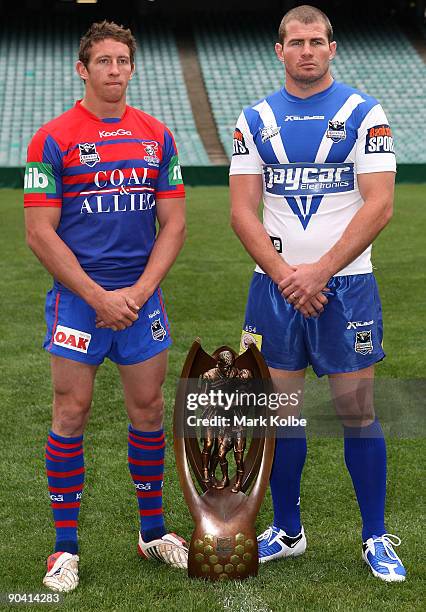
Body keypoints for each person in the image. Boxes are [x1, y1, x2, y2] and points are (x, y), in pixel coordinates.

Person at [229, 5, 406, 582]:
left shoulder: (364, 113)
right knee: (282, 413)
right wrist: (288, 276)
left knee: (357, 411)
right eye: (296, 42)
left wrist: (320, 271)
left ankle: (376, 536)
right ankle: (288, 528)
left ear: (333, 47)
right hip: (276, 287)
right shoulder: (253, 118)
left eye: (316, 41)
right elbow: (241, 210)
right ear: (278, 51)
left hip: (347, 285)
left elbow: (379, 203)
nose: (307, 50)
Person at [24, 21, 188, 592]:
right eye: (104, 61)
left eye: (123, 60)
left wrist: (137, 295)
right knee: (71, 414)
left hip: (141, 300)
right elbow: (40, 234)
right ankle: (63, 549)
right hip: (78, 302)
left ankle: (153, 533)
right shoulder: (50, 138)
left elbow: (174, 223)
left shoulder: (158, 136)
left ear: (132, 67)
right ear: (83, 69)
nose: (115, 70)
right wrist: (96, 296)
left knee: (148, 410)